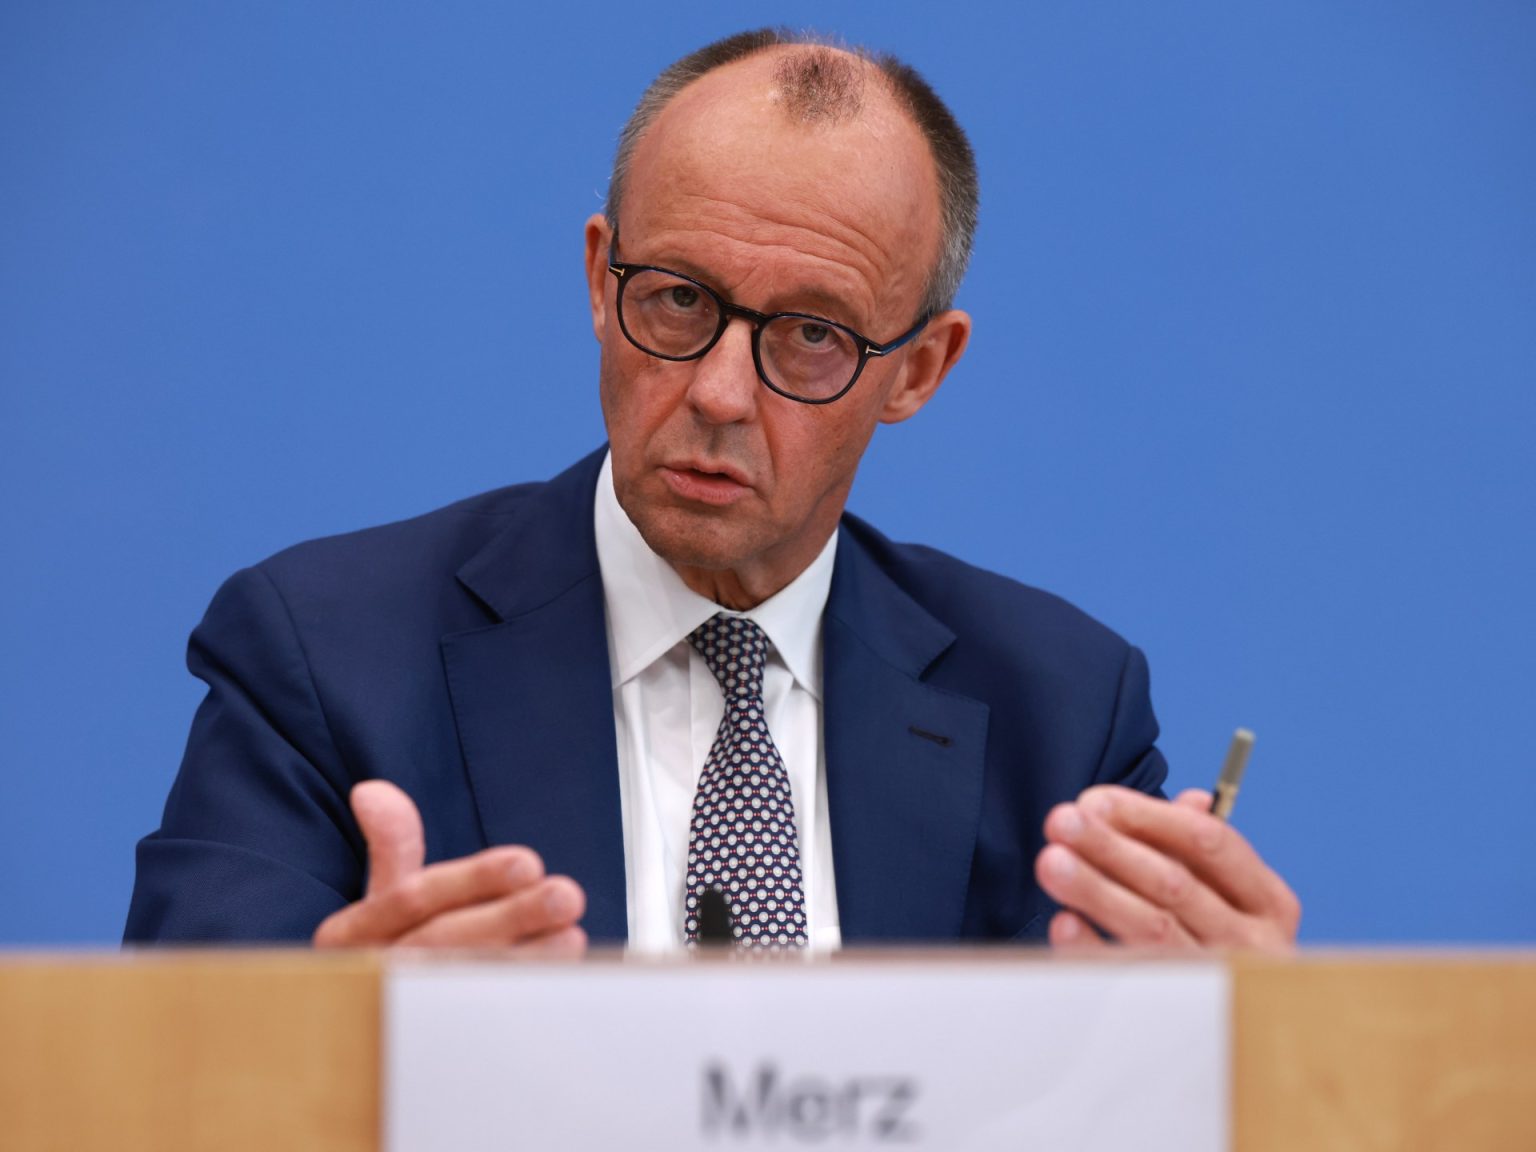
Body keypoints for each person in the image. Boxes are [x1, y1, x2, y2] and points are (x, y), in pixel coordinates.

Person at [125, 29, 1300, 954]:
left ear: (919, 371)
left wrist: (1234, 1043)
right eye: (680, 299)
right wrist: (347, 1043)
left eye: (812, 334)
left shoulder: (1062, 713)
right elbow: (166, 1080)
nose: (721, 393)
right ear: (602, 280)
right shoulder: (326, 661)